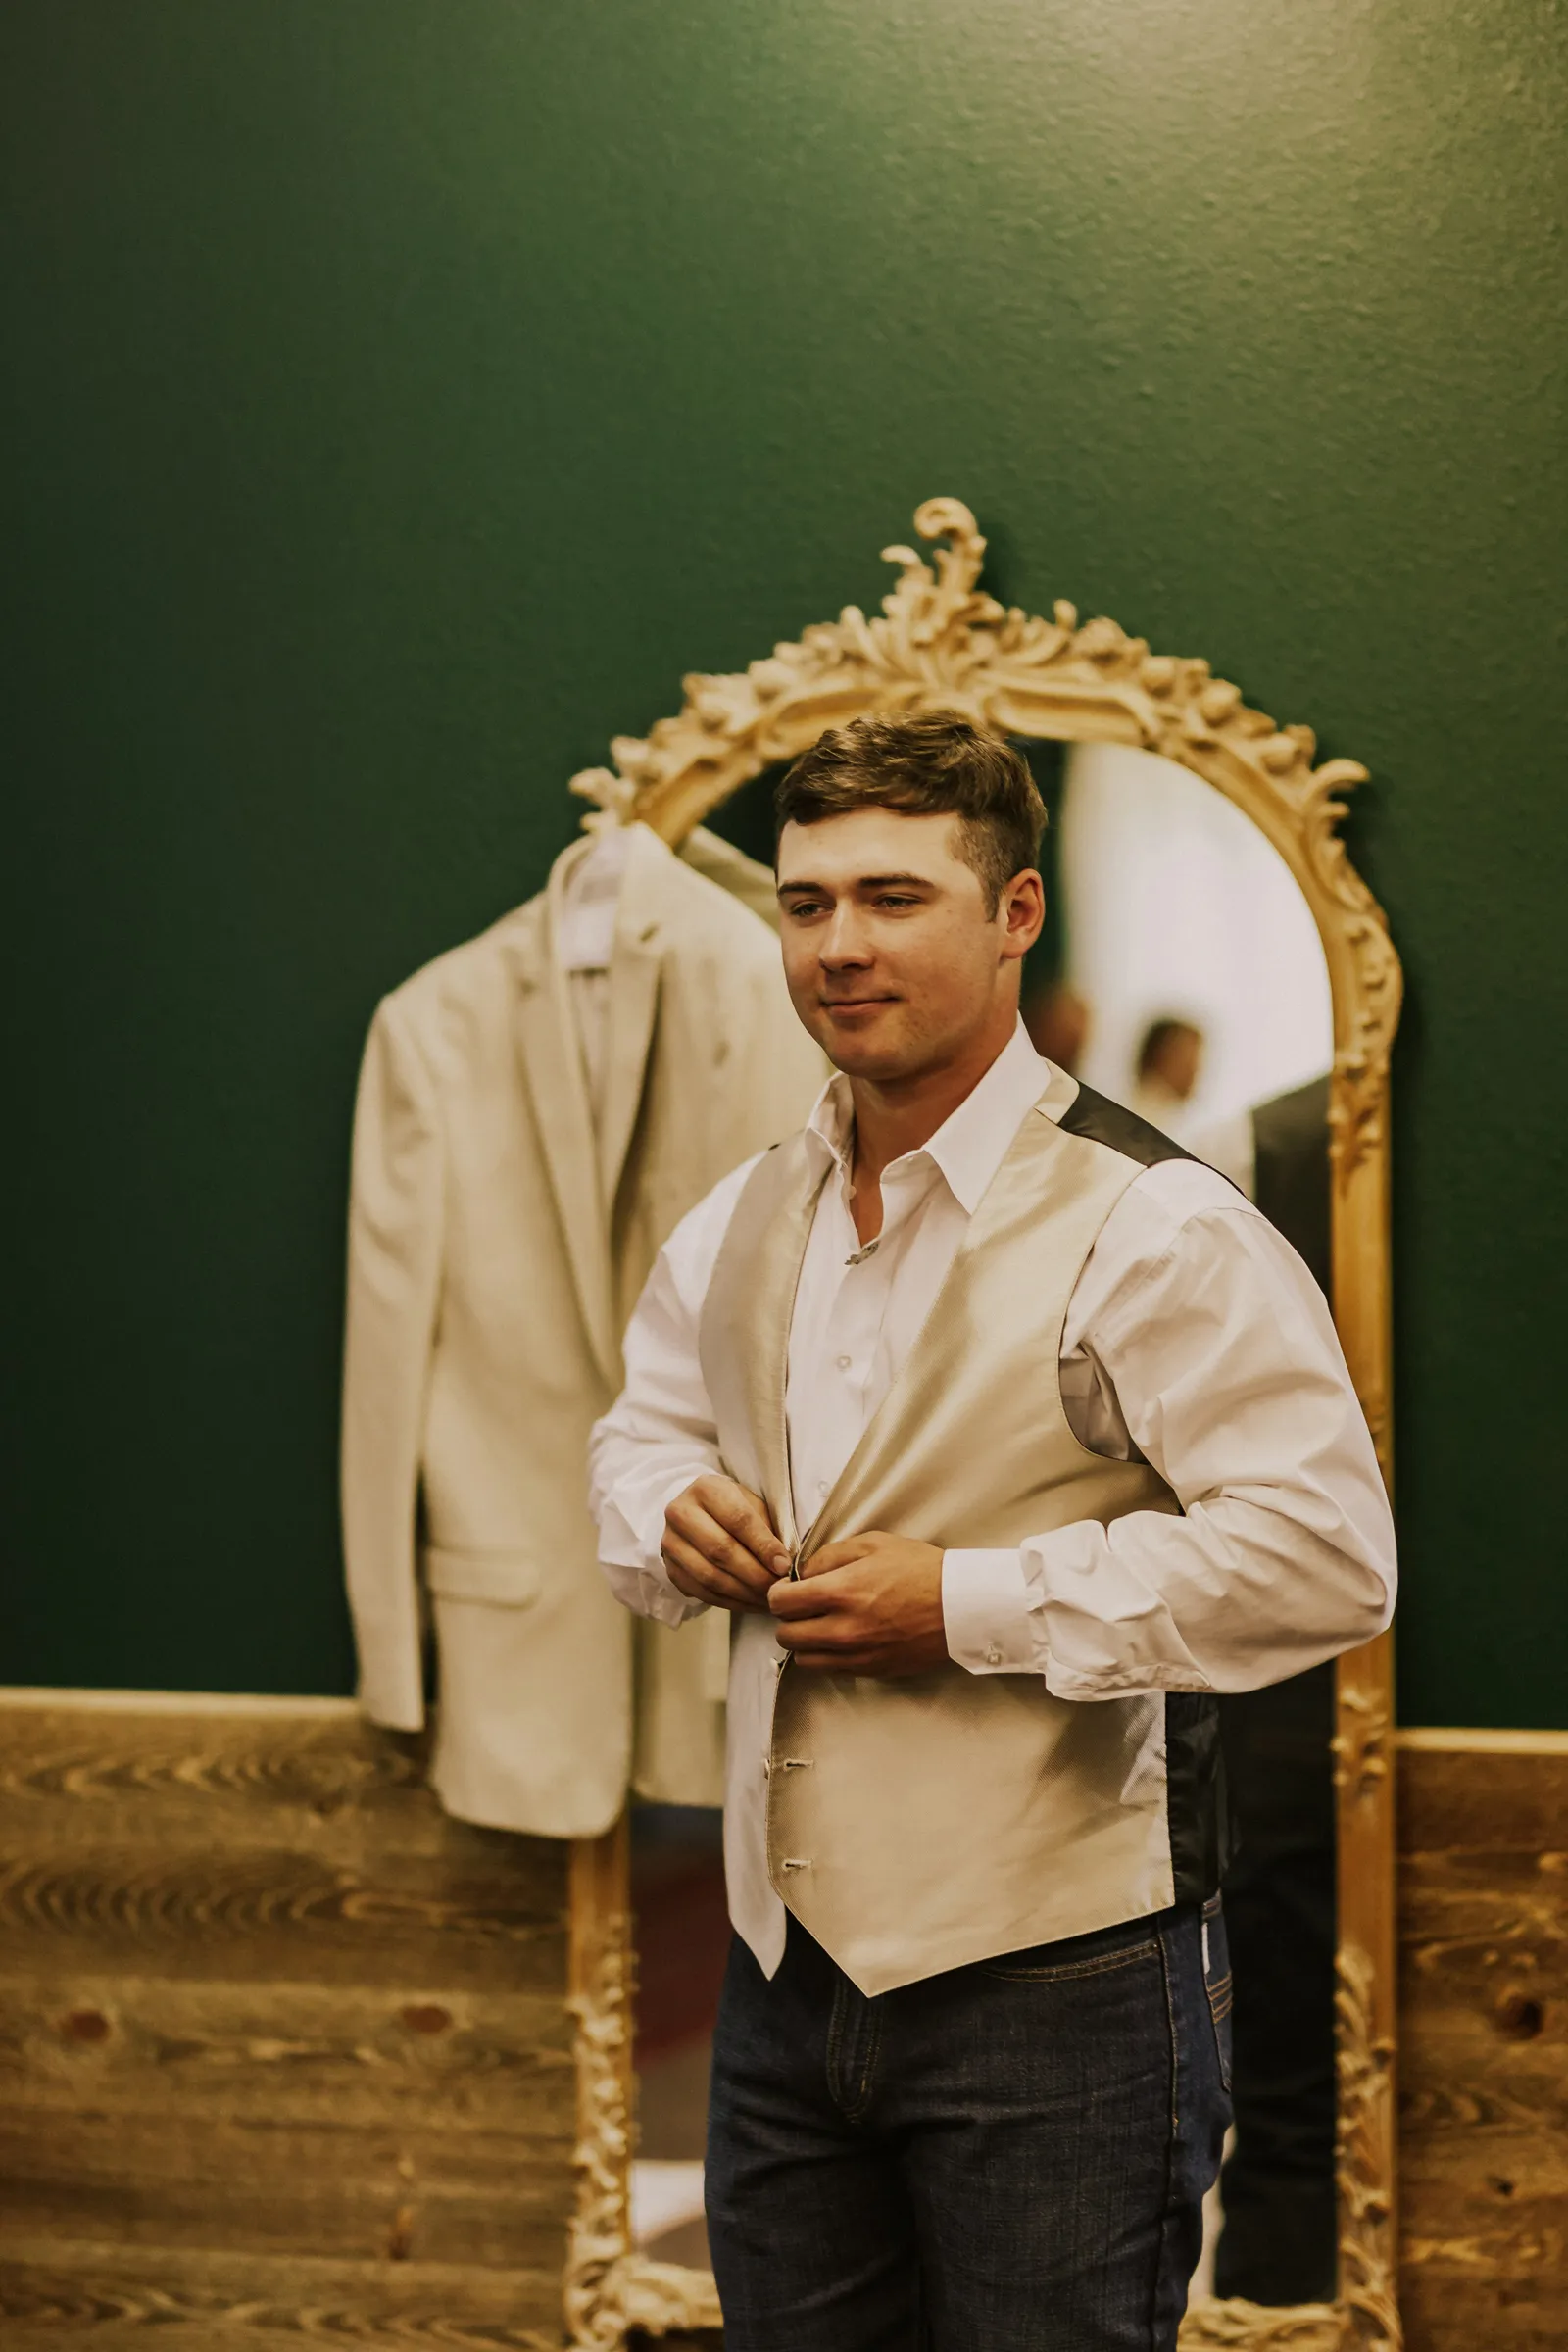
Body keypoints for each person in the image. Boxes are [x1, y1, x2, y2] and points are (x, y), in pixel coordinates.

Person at [589, 711, 1396, 2352]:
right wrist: (668, 1509)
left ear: (1016, 914)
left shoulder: (1158, 1226)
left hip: (1064, 1995)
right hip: (777, 1977)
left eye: (892, 898)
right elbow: (639, 1431)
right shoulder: (744, 1212)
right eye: (808, 904)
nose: (839, 945)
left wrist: (967, 1603)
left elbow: (1323, 1556)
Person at [1129, 1012, 1205, 1138]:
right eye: (1187, 1060)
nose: (1195, 1071)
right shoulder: (1142, 1124)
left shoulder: (1171, 1123)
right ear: (1161, 1056)